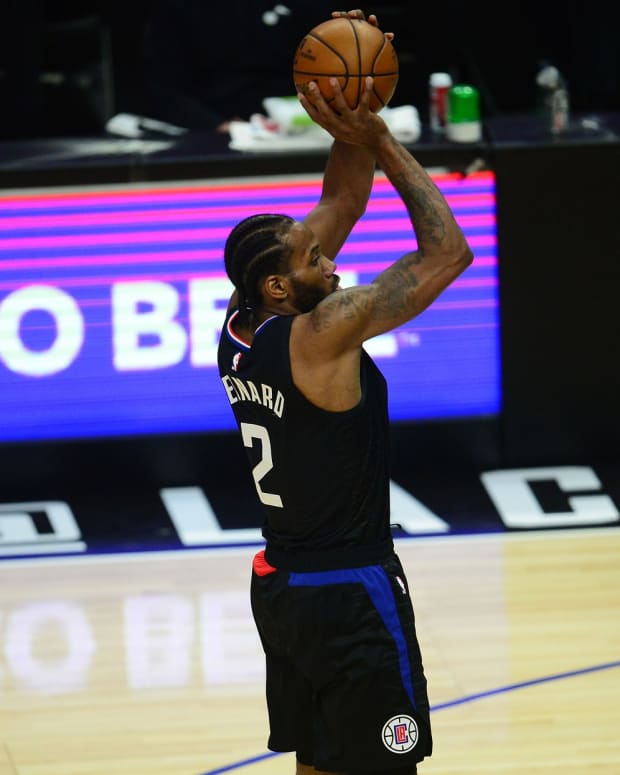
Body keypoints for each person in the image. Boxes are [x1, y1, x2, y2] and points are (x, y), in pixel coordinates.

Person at [217, 8, 473, 773]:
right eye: (312, 256)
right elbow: (447, 253)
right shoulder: (323, 330)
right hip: (351, 591)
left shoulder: (239, 325)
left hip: (284, 589)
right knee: (388, 762)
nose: (329, 254)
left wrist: (349, 109)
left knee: (321, 759)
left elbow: (344, 200)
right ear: (279, 284)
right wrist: (385, 138)